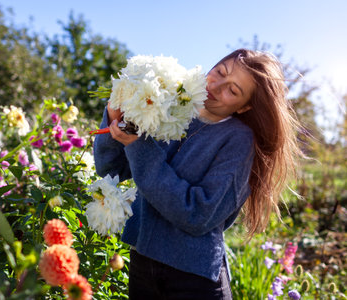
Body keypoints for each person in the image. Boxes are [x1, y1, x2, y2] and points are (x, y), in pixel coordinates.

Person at [93, 49, 302, 299]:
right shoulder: (168, 110)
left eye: (233, 90)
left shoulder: (237, 140)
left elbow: (197, 214)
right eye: (219, 72)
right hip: (142, 263)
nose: (216, 85)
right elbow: (113, 170)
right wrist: (115, 118)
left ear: (245, 106)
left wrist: (139, 146)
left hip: (192, 279)